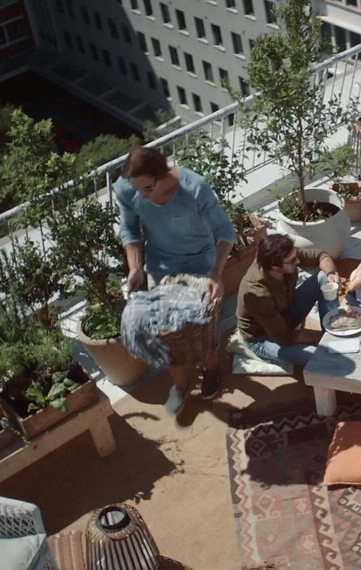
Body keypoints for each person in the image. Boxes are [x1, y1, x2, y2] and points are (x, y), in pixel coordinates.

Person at [116, 146, 235, 414]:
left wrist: (216, 273)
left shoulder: (195, 188)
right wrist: (135, 267)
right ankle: (180, 385)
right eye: (135, 189)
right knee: (167, 332)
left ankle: (211, 369)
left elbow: (226, 231)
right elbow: (129, 229)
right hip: (160, 268)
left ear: (161, 175)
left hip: (201, 267)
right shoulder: (128, 189)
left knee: (202, 329)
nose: (140, 196)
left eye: (146, 189)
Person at [236, 234, 340, 366]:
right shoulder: (257, 293)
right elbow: (285, 337)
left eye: (296, 255)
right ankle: (329, 341)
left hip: (286, 310)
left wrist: (331, 274)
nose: (297, 261)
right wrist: (318, 338)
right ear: (274, 266)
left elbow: (321, 255)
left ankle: (333, 330)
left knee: (324, 277)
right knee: (320, 357)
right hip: (263, 336)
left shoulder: (283, 255)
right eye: (292, 260)